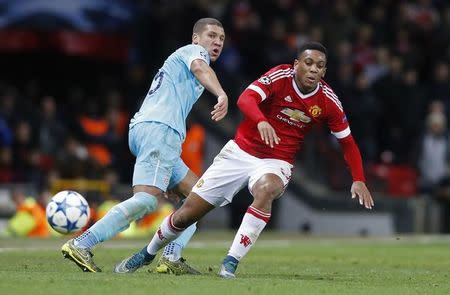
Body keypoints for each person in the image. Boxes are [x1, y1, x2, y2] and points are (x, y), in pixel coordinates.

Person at [113, 42, 374, 278]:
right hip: (239, 153)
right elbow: (245, 99)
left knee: (267, 188)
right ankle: (146, 253)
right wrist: (261, 121)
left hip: (276, 162)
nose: (313, 69)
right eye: (308, 63)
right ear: (296, 65)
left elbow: (347, 142)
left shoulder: (328, 101)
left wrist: (359, 179)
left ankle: (231, 262)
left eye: (319, 66)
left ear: (324, 72)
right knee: (186, 216)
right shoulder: (279, 76)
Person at [61, 17, 228, 274]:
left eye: (221, 38)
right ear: (196, 38)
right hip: (160, 131)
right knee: (146, 202)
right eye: (212, 35)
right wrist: (221, 93)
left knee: (200, 199)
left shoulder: (179, 62)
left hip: (151, 130)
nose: (217, 41)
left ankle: (171, 257)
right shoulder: (194, 53)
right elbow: (200, 67)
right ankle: (82, 243)